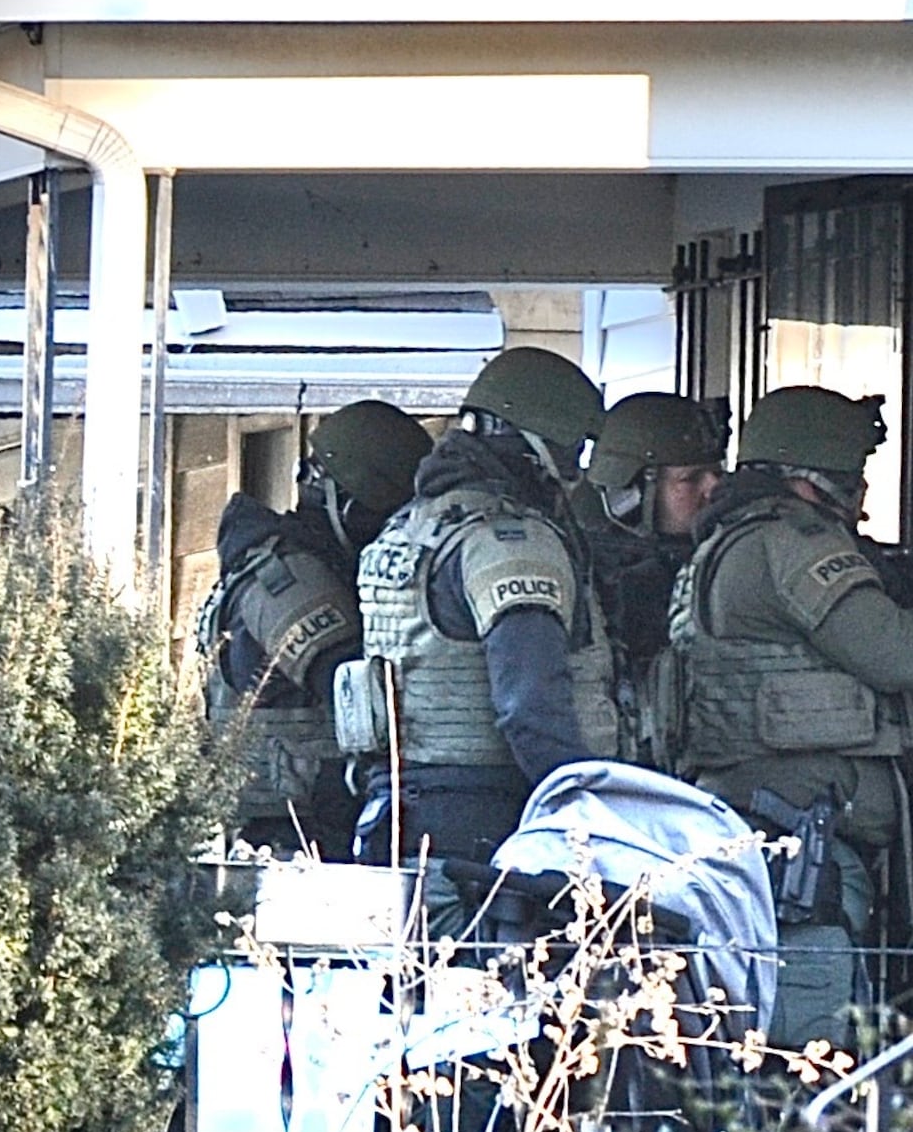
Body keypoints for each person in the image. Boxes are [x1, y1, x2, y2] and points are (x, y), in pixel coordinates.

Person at [664, 385, 913, 1050]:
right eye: (852, 481)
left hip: (760, 834)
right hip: (801, 853)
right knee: (806, 1053)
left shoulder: (726, 546)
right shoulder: (791, 541)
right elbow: (896, 653)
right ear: (810, 482)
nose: (862, 500)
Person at [349, 345, 615, 870]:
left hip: (406, 809)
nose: (578, 473)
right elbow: (530, 703)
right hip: (492, 818)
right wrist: (586, 815)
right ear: (538, 446)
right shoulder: (509, 540)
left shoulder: (409, 528)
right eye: (574, 451)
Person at [197, 399, 433, 860]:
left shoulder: (285, 563)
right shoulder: (290, 581)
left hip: (293, 826)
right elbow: (363, 706)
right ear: (347, 504)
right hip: (291, 835)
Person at [576, 391, 725, 761]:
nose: (713, 489)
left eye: (717, 473)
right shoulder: (587, 571)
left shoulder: (718, 559)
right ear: (629, 492)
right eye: (690, 479)